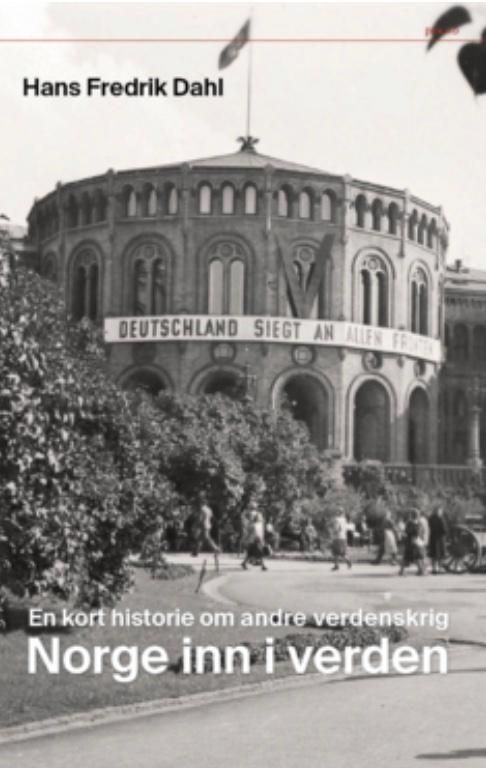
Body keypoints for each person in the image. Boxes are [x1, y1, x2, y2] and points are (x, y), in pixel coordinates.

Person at [191, 492, 220, 556]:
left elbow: (200, 518)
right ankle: (195, 552)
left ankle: (216, 549)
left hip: (203, 525)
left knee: (207, 538)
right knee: (200, 539)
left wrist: (196, 525)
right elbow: (211, 517)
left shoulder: (201, 509)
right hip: (208, 524)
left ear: (201, 503)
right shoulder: (209, 509)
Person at [241, 501, 268, 571]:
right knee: (259, 550)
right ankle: (263, 565)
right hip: (255, 536)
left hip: (252, 536)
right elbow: (258, 525)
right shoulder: (255, 514)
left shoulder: (246, 514)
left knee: (252, 551)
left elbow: (247, 526)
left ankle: (245, 563)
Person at [399, 508, 426, 575]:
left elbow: (407, 531)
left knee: (409, 556)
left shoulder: (412, 523)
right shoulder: (415, 523)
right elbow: (417, 532)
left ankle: (402, 571)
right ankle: (420, 571)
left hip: (412, 541)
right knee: (416, 556)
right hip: (413, 541)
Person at [429, 506, 447, 574]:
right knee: (440, 555)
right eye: (441, 511)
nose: (441, 512)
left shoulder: (430, 518)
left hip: (432, 537)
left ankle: (434, 569)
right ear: (439, 511)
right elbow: (444, 529)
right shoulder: (441, 519)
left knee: (434, 555)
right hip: (440, 538)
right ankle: (440, 569)